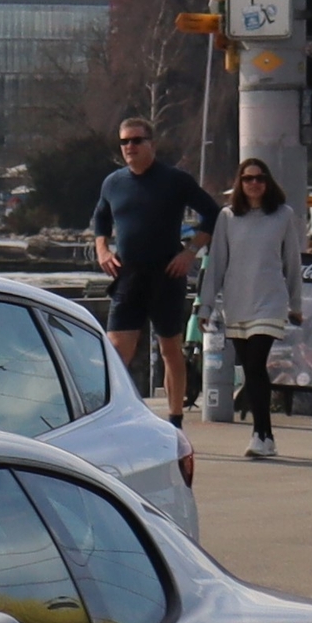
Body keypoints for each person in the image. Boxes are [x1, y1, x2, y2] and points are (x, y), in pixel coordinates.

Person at [91, 116, 219, 427]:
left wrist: (190, 252)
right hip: (129, 274)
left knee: (169, 348)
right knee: (117, 351)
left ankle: (175, 419)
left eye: (137, 140)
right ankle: (111, 417)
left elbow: (213, 214)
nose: (130, 147)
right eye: (124, 142)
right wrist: (103, 251)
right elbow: (100, 221)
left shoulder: (175, 180)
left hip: (167, 273)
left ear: (151, 144)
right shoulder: (113, 182)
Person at [199, 158, 306, 462]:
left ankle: (260, 434)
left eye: (259, 178)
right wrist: (205, 306)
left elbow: (292, 264)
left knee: (257, 363)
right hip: (236, 304)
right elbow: (217, 263)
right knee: (250, 370)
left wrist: (296, 305)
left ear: (268, 182)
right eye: (247, 179)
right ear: (239, 183)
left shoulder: (283, 215)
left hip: (270, 302)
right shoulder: (227, 217)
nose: (254, 184)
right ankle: (266, 435)